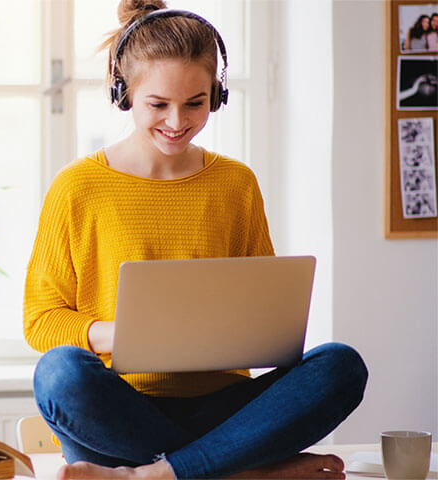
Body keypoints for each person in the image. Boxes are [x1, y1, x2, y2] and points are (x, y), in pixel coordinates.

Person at [23, 2, 368, 479]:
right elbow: (41, 321)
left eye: (195, 103)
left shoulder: (236, 184)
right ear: (124, 94)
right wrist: (125, 335)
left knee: (341, 367)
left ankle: (156, 474)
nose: (177, 121)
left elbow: (266, 313)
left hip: (223, 409)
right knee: (60, 374)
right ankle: (238, 471)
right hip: (121, 412)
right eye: (158, 104)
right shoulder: (77, 187)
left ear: (216, 95)